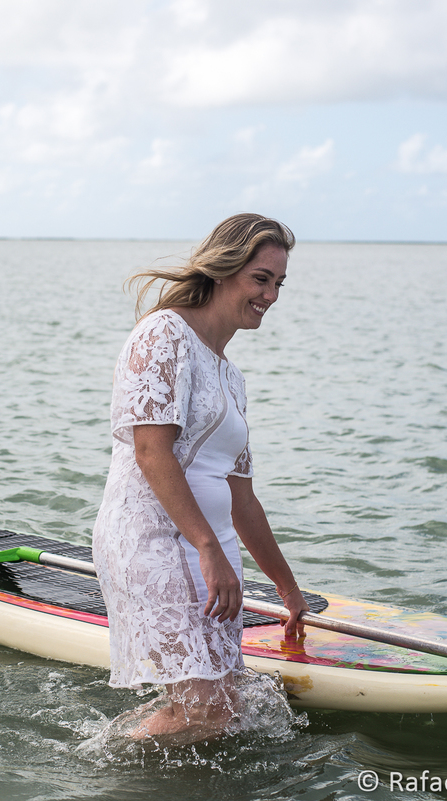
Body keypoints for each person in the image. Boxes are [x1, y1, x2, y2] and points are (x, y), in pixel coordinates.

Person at [91, 213, 310, 744]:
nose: (271, 295)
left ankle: (144, 758)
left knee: (228, 707)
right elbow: (151, 450)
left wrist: (287, 588)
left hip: (210, 552)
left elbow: (243, 497)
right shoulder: (164, 334)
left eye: (279, 282)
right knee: (207, 711)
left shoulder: (230, 375)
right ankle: (95, 761)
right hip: (152, 542)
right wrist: (207, 547)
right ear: (223, 269)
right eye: (261, 278)